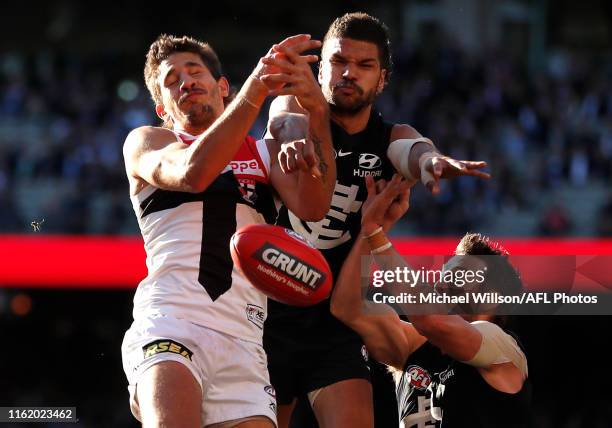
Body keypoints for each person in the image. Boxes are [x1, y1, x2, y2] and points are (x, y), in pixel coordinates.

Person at [263, 12, 490, 428]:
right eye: (338, 62)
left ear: (382, 79)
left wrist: (432, 162)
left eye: (364, 66)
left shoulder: (391, 137)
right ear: (321, 67)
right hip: (265, 315)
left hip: (336, 325)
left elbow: (414, 150)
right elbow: (283, 117)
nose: (349, 73)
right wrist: (294, 138)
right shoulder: (294, 106)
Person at [120, 33, 336, 428]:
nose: (184, 81)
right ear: (162, 108)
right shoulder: (149, 141)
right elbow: (194, 173)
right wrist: (256, 90)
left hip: (244, 339)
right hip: (172, 321)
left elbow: (315, 206)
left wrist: (316, 109)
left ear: (222, 87)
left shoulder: (265, 152)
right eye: (171, 81)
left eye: (194, 71)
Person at [331, 174, 531, 427]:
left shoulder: (504, 349)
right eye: (444, 274)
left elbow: (429, 320)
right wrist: (371, 227)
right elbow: (347, 308)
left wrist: (377, 235)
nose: (441, 283)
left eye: (459, 276)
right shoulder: (412, 346)